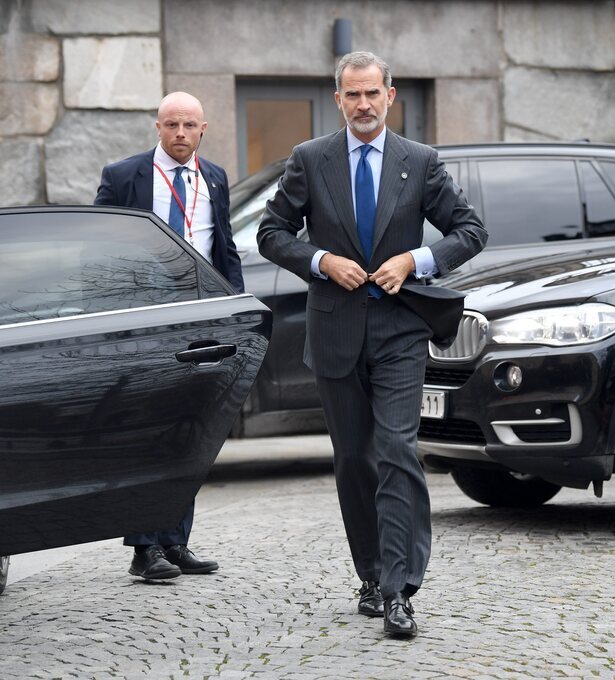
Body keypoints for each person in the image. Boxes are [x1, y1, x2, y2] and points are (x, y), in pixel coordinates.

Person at [257, 51, 486, 637]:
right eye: (352, 95)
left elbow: (470, 231)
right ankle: (370, 572)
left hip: (400, 331)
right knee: (355, 460)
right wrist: (320, 260)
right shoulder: (311, 160)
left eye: (372, 94)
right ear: (339, 100)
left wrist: (416, 259)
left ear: (390, 95)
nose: (363, 105)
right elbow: (271, 233)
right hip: (333, 330)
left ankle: (399, 588)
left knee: (397, 451)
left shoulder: (420, 161)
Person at [95, 91, 244, 580]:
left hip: (199, 321)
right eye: (171, 125)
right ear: (157, 128)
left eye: (189, 126)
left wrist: (236, 311)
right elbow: (99, 248)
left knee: (190, 431)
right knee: (147, 431)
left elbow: (224, 247)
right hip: (142, 321)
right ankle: (145, 550)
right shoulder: (124, 177)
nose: (180, 134)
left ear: (204, 130)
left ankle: (176, 541)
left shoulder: (215, 178)